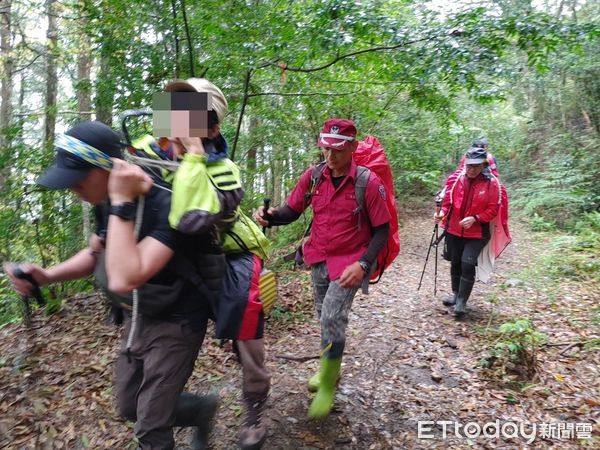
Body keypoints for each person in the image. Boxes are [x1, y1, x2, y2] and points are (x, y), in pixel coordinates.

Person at [4, 120, 225, 450]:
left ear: (111, 168)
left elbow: (127, 274)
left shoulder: (165, 204)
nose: (72, 187)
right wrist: (48, 275)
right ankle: (201, 409)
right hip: (139, 315)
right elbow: (99, 254)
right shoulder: (106, 201)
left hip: (177, 320)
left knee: (151, 427)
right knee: (129, 405)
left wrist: (121, 201)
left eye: (79, 177)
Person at [137, 78, 272, 450]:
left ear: (211, 127)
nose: (176, 121)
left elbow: (197, 219)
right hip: (176, 268)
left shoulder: (224, 170)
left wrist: (190, 158)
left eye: (189, 114)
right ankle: (184, 409)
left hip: (227, 257)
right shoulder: (146, 151)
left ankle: (254, 411)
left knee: (247, 330)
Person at [253, 118, 390, 419]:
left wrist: (364, 264)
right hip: (318, 259)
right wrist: (271, 216)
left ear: (353, 147)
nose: (330, 156)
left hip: (351, 262)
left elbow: (382, 230)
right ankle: (332, 369)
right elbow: (292, 211)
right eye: (326, 149)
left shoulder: (368, 182)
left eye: (338, 150)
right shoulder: (314, 177)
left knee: (331, 317)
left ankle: (328, 383)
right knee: (324, 318)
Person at [435, 147, 501, 318]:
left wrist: (476, 218)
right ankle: (456, 295)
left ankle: (462, 302)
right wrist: (442, 213)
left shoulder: (492, 183)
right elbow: (448, 201)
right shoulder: (458, 179)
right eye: (468, 166)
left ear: (483, 166)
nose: (471, 169)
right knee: (455, 262)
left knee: (467, 263)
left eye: (475, 166)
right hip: (454, 230)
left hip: (477, 233)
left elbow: (493, 209)